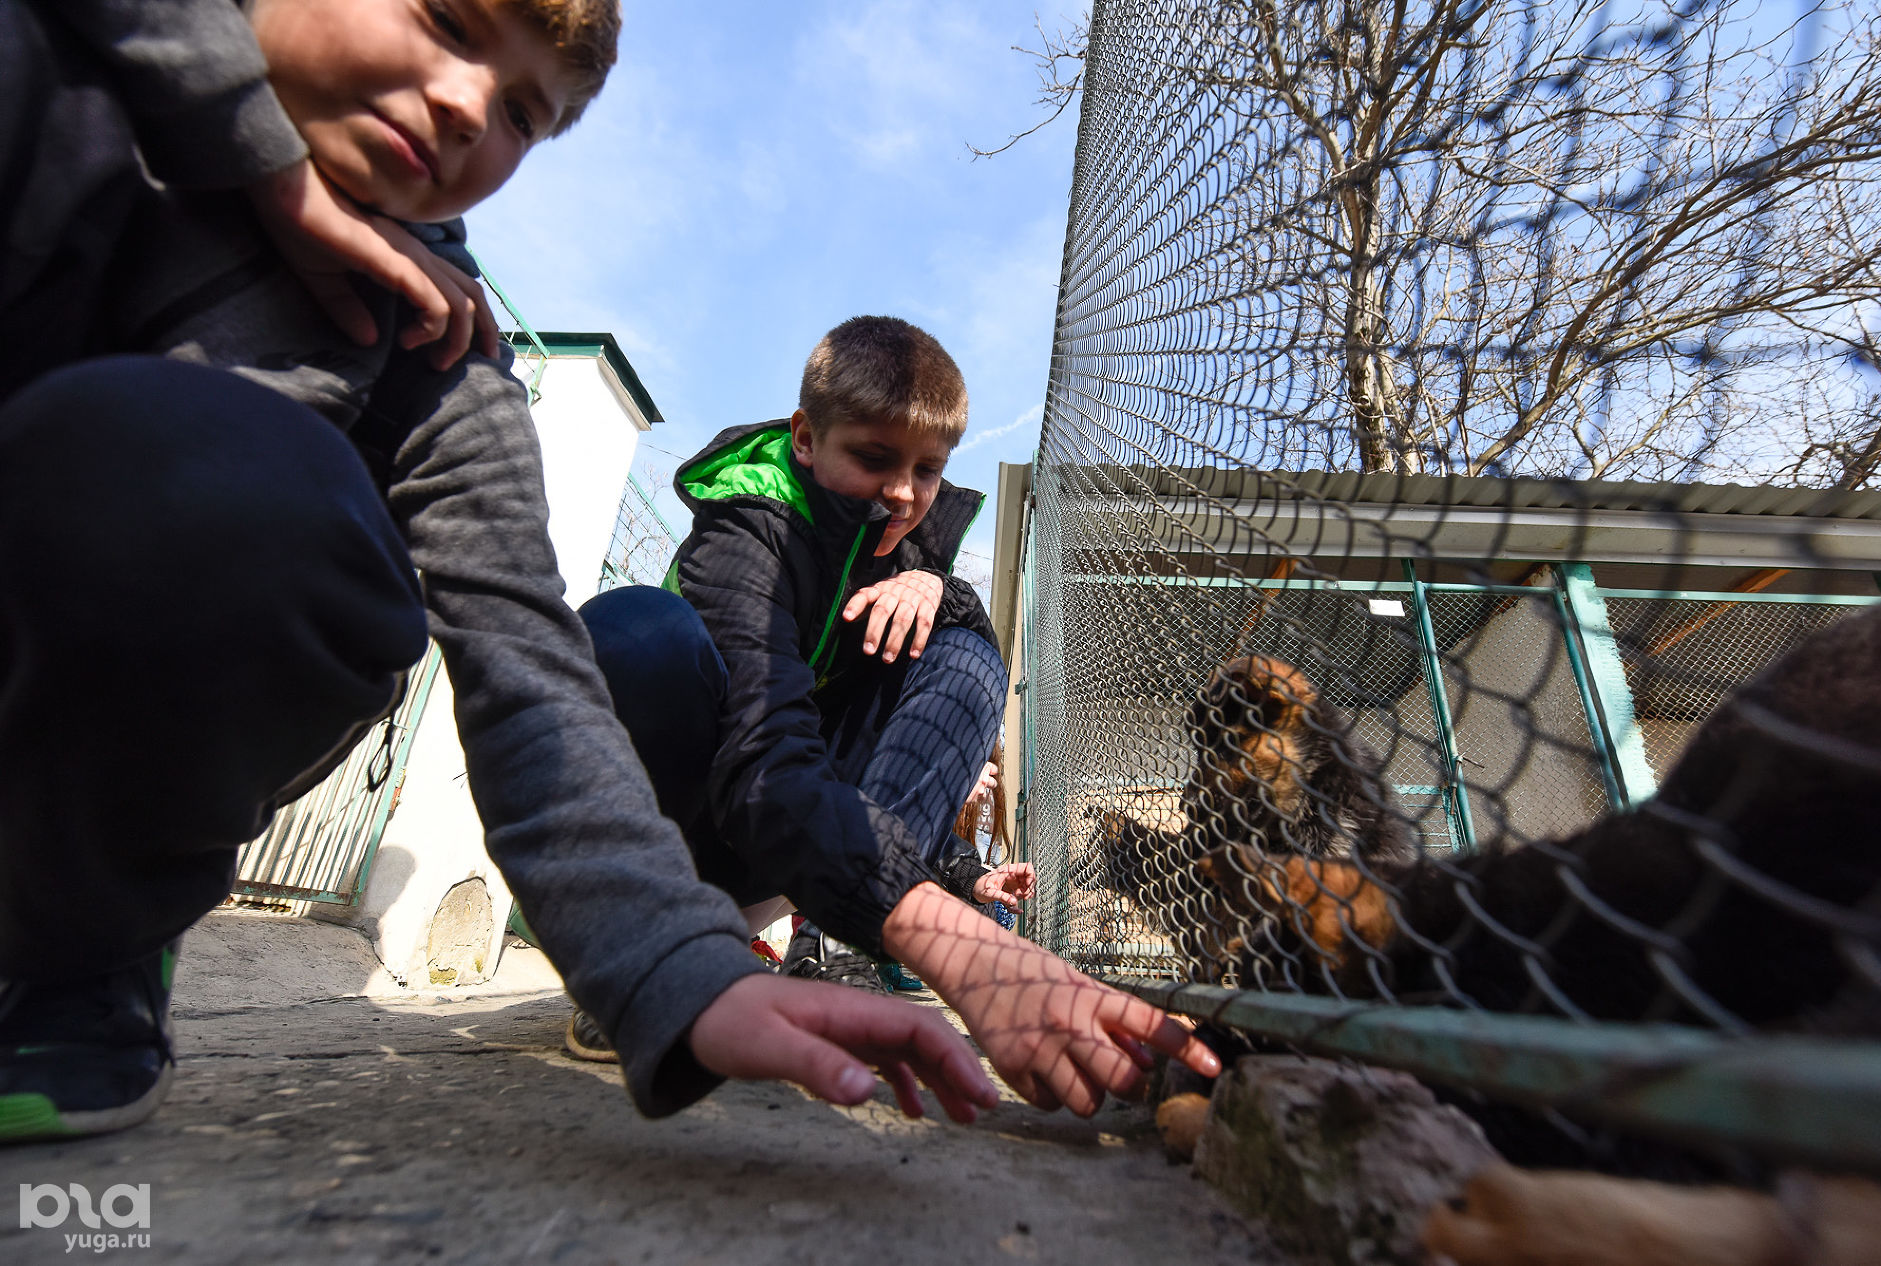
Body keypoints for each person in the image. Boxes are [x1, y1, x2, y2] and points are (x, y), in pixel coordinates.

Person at [0, 0, 1028, 1144]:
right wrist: (250, 143)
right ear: (804, 438)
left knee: (251, 480)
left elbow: (526, 675)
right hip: (753, 794)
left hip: (795, 832)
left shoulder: (441, 352)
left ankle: (84, 937)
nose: (463, 105)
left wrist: (679, 972)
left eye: (522, 115)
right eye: (445, 20)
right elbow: (756, 740)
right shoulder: (44, 79)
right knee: (637, 632)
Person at [574, 316, 1216, 1116]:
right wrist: (958, 947)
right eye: (874, 458)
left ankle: (824, 935)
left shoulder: (911, 551)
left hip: (793, 857)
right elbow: (762, 755)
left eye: (928, 469)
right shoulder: (744, 535)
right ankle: (644, 939)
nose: (904, 493)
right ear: (805, 438)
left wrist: (937, 586)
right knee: (633, 629)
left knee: (969, 656)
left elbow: (917, 736)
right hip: (700, 820)